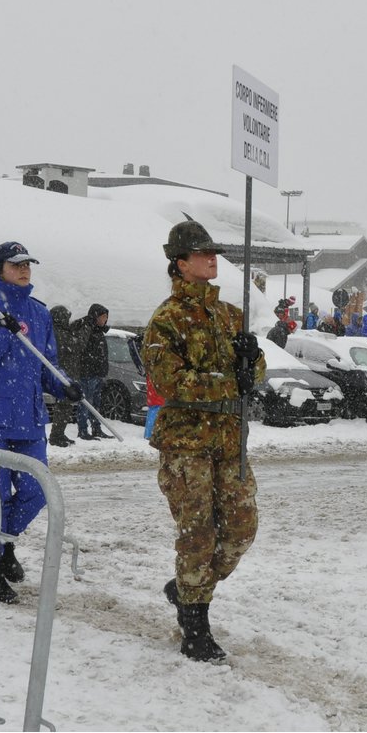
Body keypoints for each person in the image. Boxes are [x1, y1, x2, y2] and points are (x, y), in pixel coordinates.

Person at [140, 220, 264, 662]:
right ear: (180, 262)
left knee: (241, 527)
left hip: (230, 440)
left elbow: (257, 373)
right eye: (202, 252)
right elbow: (171, 382)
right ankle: (195, 624)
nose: (213, 258)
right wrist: (232, 381)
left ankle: (186, 587)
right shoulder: (165, 320)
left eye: (214, 251)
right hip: (186, 443)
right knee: (198, 535)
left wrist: (253, 363)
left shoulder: (230, 315)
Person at [0, 242, 73, 602]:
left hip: (29, 419)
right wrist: (2, 334)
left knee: (37, 492)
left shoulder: (39, 313)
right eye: (15, 264)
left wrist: (65, 386)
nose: (24, 270)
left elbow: (46, 365)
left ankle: (3, 545)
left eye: (27, 265)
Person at [70, 303, 114, 440]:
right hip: (87, 373)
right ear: (95, 316)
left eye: (106, 317)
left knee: (96, 403)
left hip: (97, 373)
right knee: (86, 403)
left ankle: (96, 428)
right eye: (103, 317)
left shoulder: (99, 331)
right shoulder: (87, 328)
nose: (105, 320)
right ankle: (83, 430)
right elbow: (81, 349)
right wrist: (89, 366)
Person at [46, 305, 78, 447]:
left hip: (67, 373)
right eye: (66, 317)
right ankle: (56, 435)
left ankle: (59, 433)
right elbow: (73, 347)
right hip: (63, 374)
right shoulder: (58, 333)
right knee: (63, 406)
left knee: (66, 407)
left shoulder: (58, 331)